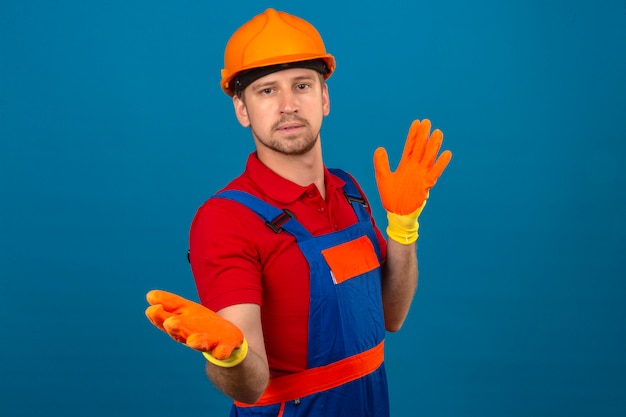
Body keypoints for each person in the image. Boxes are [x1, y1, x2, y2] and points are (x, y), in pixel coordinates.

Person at [145, 8, 452, 417]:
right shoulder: (225, 220)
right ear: (242, 109)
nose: (288, 105)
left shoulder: (350, 191)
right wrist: (230, 356)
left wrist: (403, 226)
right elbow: (251, 386)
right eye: (267, 91)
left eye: (302, 85)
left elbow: (391, 316)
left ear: (324, 98)